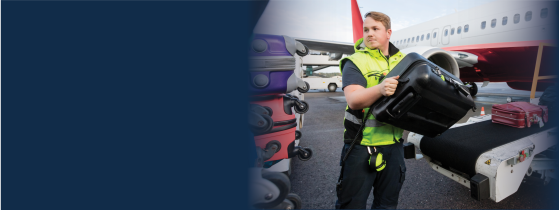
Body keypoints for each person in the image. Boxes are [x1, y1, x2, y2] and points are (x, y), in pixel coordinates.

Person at [335, 11, 406, 209]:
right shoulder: (356, 61)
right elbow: (354, 100)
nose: (369, 34)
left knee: (387, 204)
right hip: (361, 145)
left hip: (394, 146)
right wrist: (380, 88)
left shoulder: (403, 61)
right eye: (366, 29)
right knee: (351, 204)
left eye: (375, 29)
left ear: (388, 32)